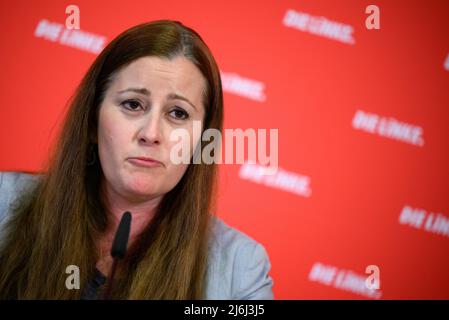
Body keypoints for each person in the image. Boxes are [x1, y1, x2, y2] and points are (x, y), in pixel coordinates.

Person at [0, 20, 274, 299]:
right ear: (93, 122)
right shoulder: (3, 203)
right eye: (132, 104)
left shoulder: (241, 270)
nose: (151, 134)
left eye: (178, 113)